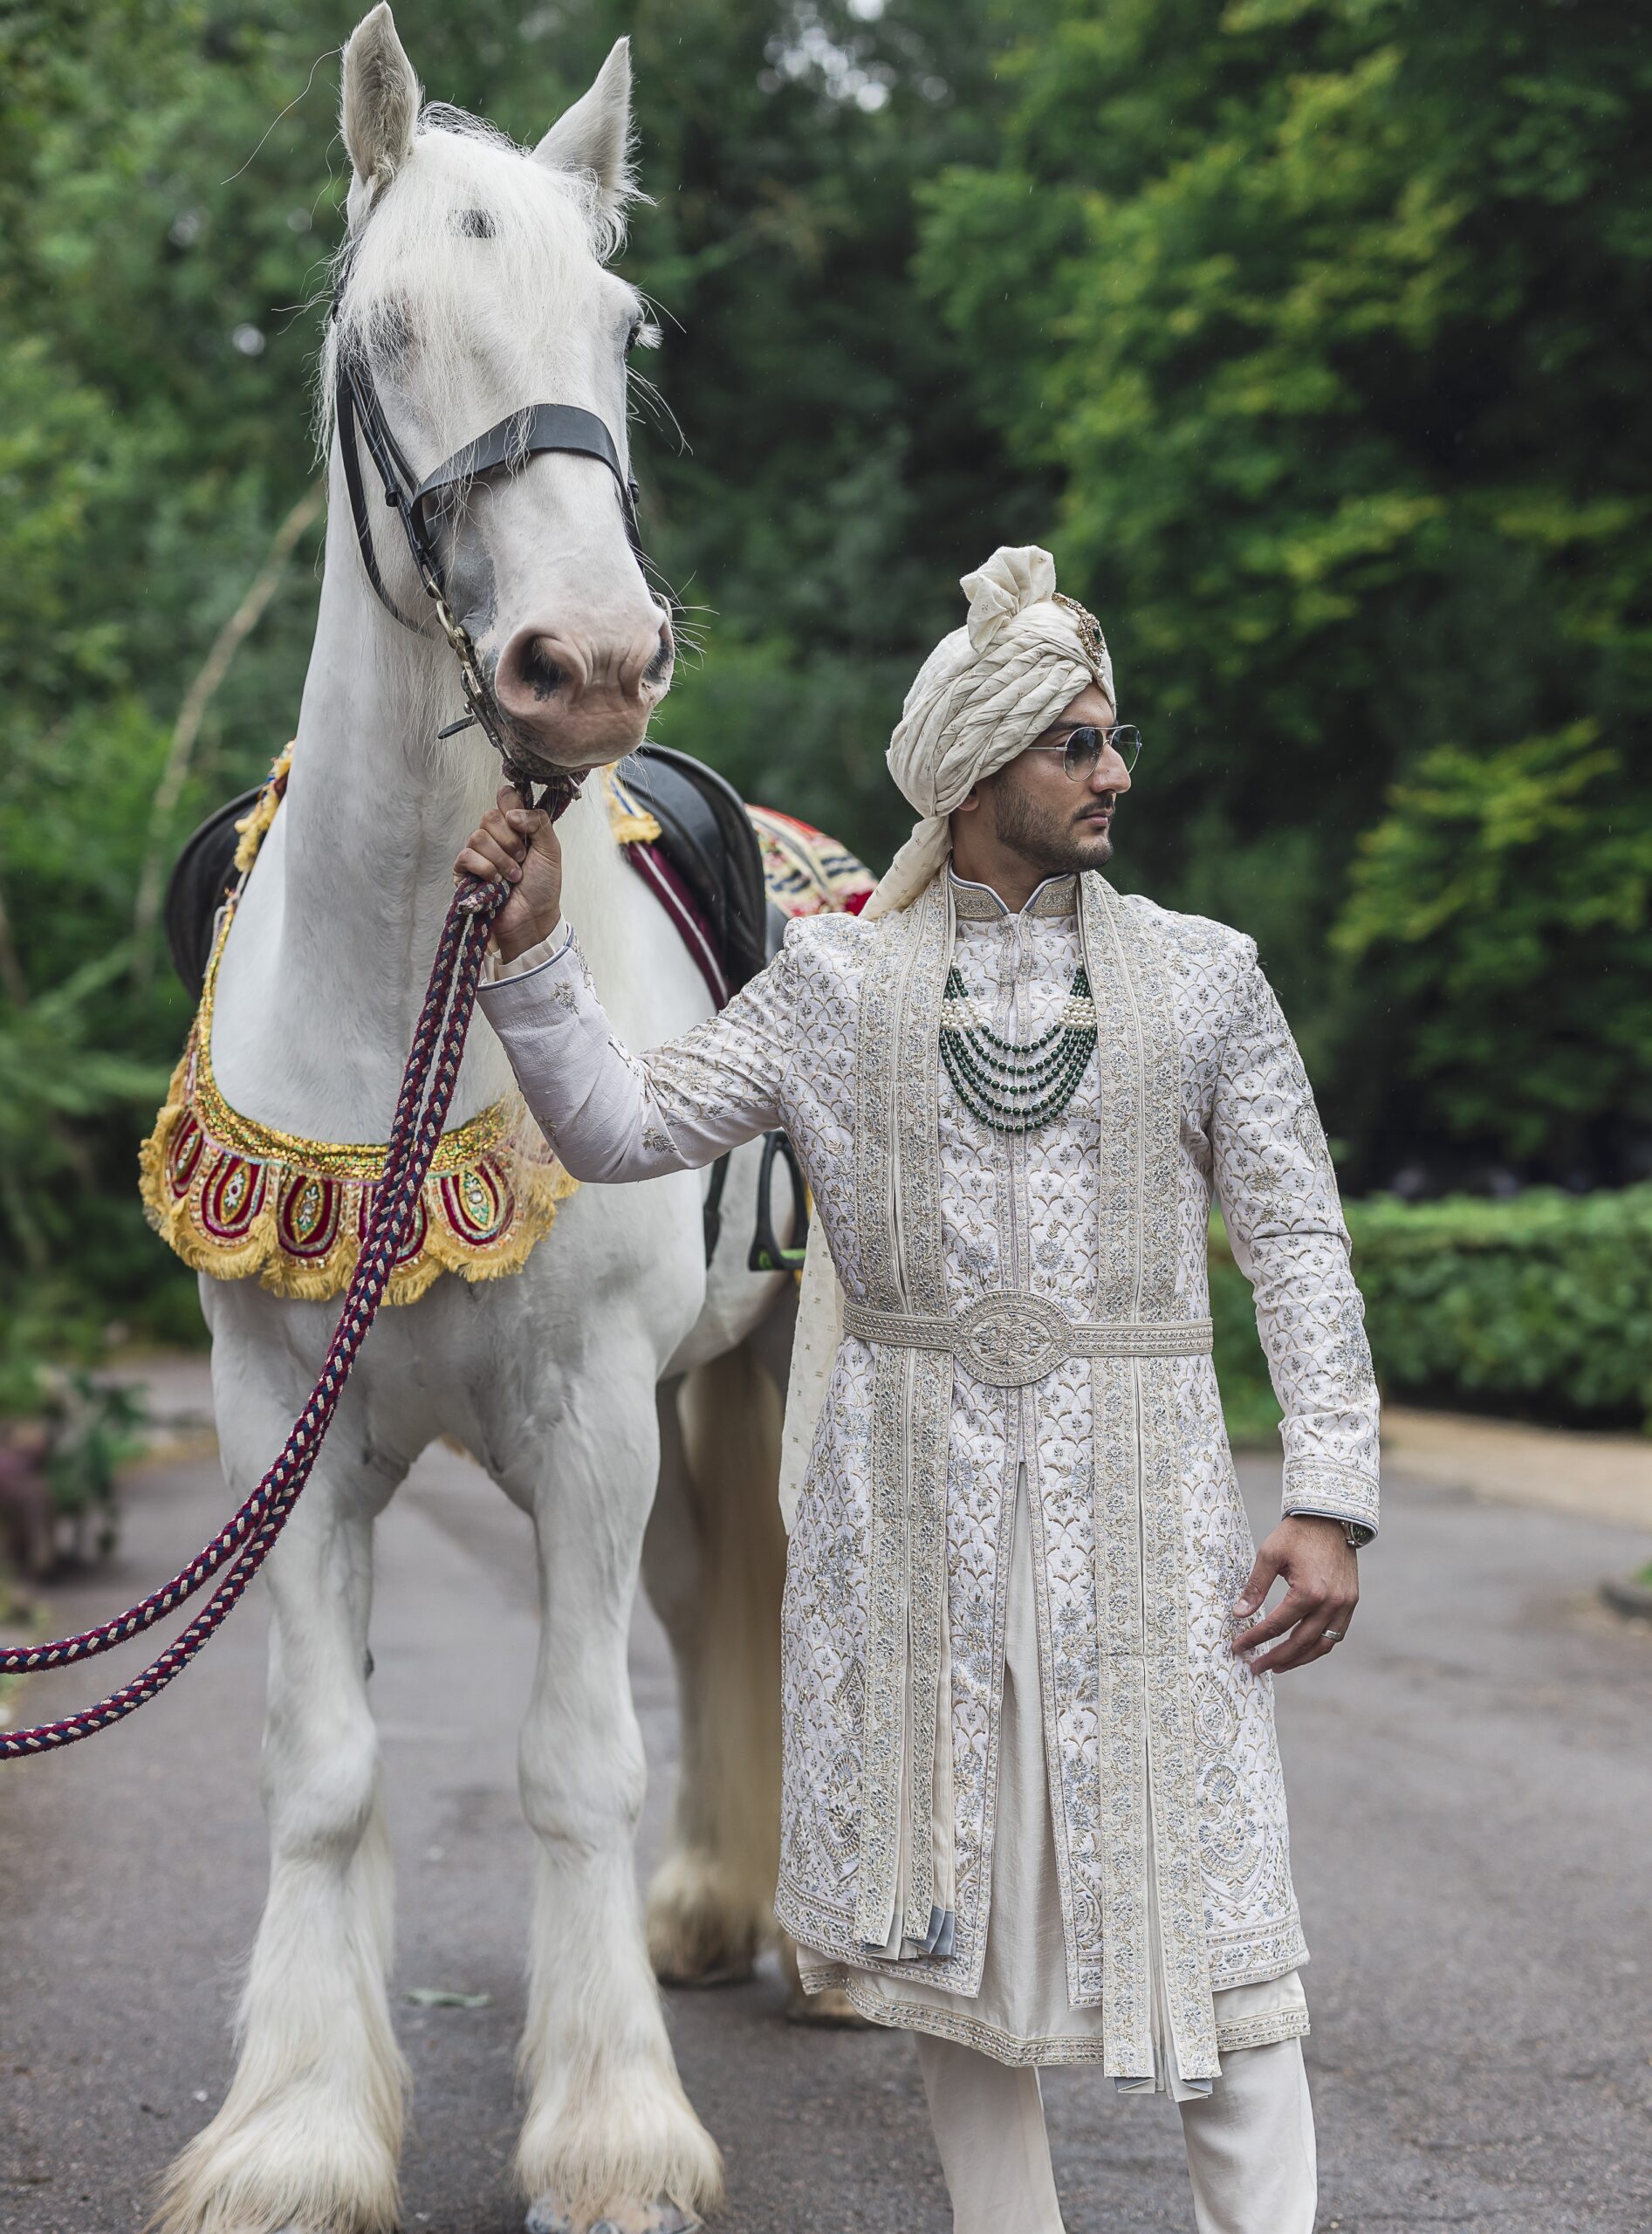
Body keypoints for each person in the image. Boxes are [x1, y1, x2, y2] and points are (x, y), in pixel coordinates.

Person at [460, 545, 1379, 2234]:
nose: (1116, 772)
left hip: (1151, 1520)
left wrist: (1324, 1500)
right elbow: (615, 1128)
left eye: (1111, 738)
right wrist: (530, 959)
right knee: (953, 1934)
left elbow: (1302, 1249)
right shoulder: (831, 986)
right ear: (970, 773)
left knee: (1221, 1928)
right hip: (908, 1541)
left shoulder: (1205, 976)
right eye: (1074, 744)